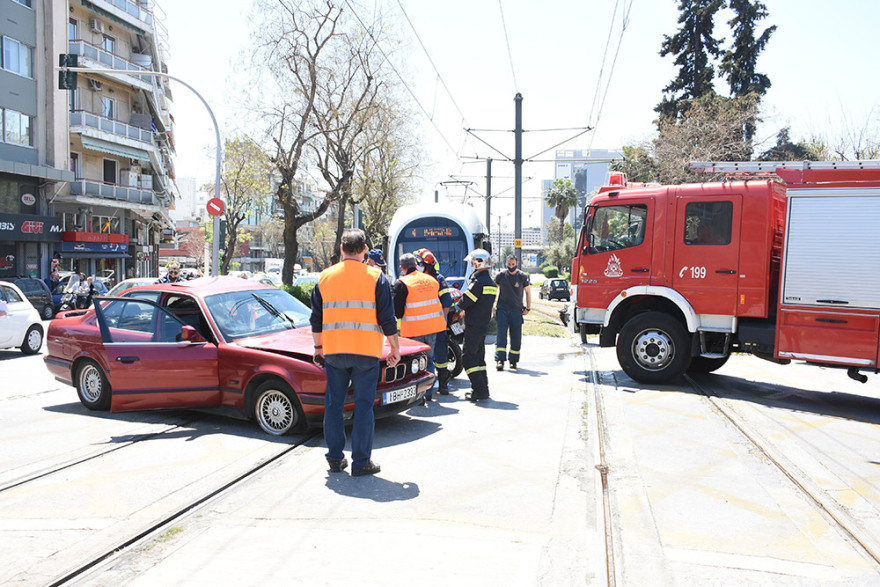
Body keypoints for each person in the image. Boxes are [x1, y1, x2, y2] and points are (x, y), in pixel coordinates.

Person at [310, 228, 400, 477]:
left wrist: (318, 348)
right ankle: (361, 462)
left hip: (335, 352)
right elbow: (387, 319)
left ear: (341, 249)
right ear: (363, 251)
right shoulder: (376, 277)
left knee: (334, 405)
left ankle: (335, 459)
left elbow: (316, 319)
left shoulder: (324, 277)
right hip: (366, 353)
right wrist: (395, 348)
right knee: (363, 407)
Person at [393, 253, 445, 402]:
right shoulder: (432, 280)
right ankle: (428, 392)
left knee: (414, 363)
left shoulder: (402, 283)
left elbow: (397, 311)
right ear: (416, 265)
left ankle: (418, 396)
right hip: (433, 327)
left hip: (414, 329)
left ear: (402, 268)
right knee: (429, 360)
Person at [457, 248, 497, 402]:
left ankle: (479, 390)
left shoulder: (479, 282)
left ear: (479, 263)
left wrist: (457, 305)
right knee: (479, 359)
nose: (472, 265)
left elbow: (466, 301)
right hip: (482, 325)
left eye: (474, 262)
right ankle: (482, 389)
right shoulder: (491, 283)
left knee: (467, 358)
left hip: (473, 325)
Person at [414, 248, 454, 394]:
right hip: (428, 325)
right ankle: (432, 387)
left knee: (439, 355)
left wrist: (441, 321)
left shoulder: (437, 279)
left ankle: (441, 385)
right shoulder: (427, 278)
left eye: (418, 262)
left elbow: (446, 303)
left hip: (432, 326)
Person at [494, 254, 531, 371]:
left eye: (513, 264)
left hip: (516, 311)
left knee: (516, 337)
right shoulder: (500, 276)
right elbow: (494, 291)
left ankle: (513, 361)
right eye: (509, 264)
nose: (511, 267)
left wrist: (528, 308)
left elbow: (528, 293)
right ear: (506, 264)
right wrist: (493, 307)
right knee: (501, 336)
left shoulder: (522, 277)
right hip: (502, 311)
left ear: (517, 263)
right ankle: (500, 360)